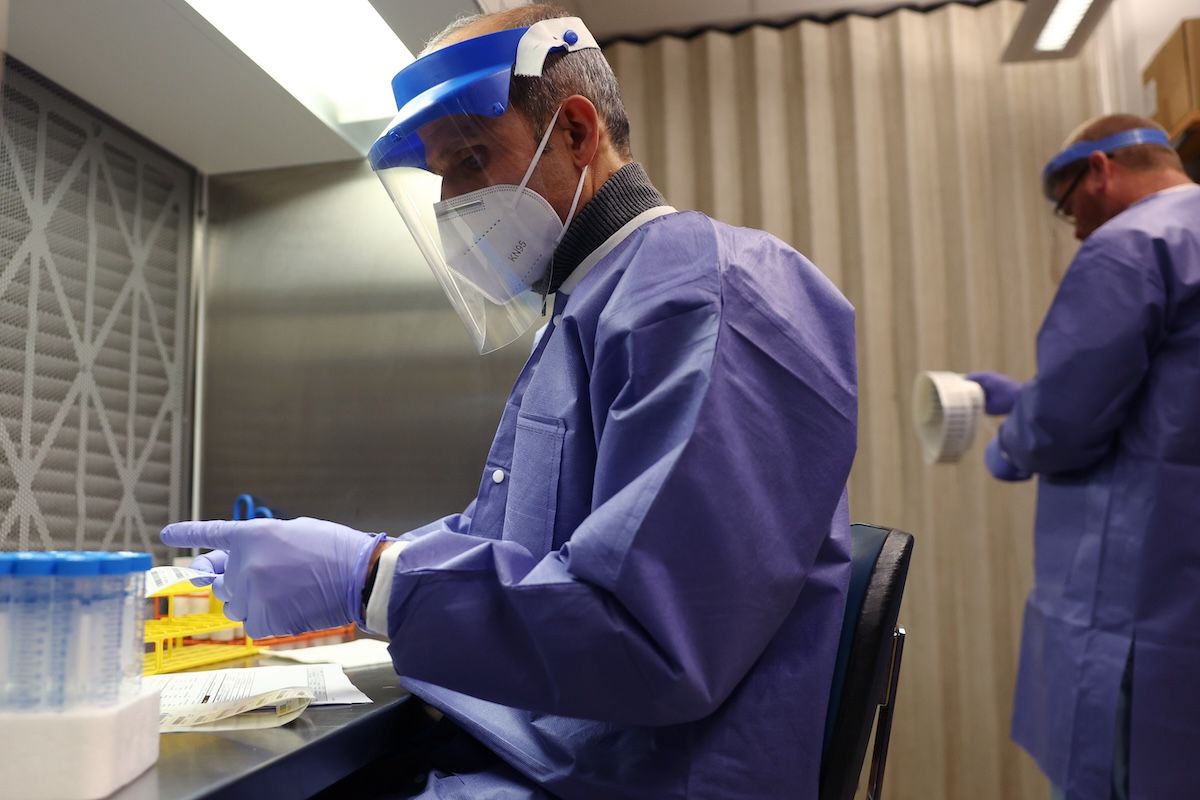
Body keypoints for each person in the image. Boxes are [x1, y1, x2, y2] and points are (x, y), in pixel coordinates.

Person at [162, 6, 859, 798]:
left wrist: (369, 581)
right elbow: (503, 543)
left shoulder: (703, 293)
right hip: (548, 756)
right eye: (441, 178)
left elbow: (657, 638)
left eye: (470, 160)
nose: (452, 201)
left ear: (574, 132)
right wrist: (349, 560)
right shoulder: (585, 313)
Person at [970, 114, 1200, 800]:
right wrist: (1027, 397)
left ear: (1099, 169)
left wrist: (1012, 441)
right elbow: (1163, 394)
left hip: (1142, 600)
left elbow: (1064, 425)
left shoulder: (1132, 245)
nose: (1074, 228)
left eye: (1069, 205)